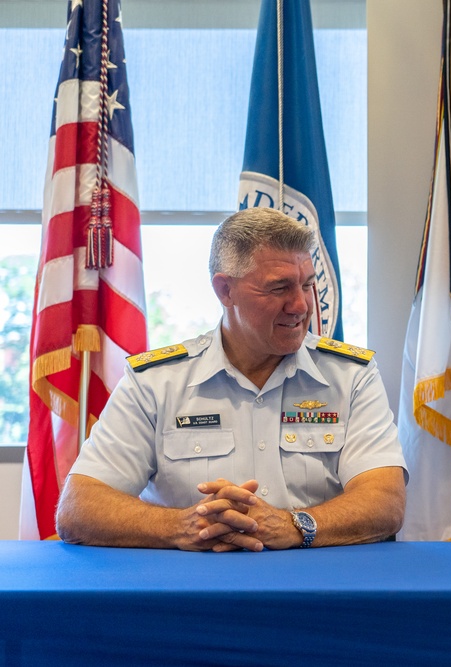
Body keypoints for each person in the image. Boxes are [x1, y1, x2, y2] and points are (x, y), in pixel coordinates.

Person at [57, 208, 408, 551]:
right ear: (225, 291)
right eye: (280, 288)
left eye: (307, 284)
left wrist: (295, 526)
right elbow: (79, 508)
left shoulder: (351, 376)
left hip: (318, 591)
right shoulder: (156, 382)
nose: (300, 305)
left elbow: (385, 502)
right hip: (191, 591)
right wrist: (180, 527)